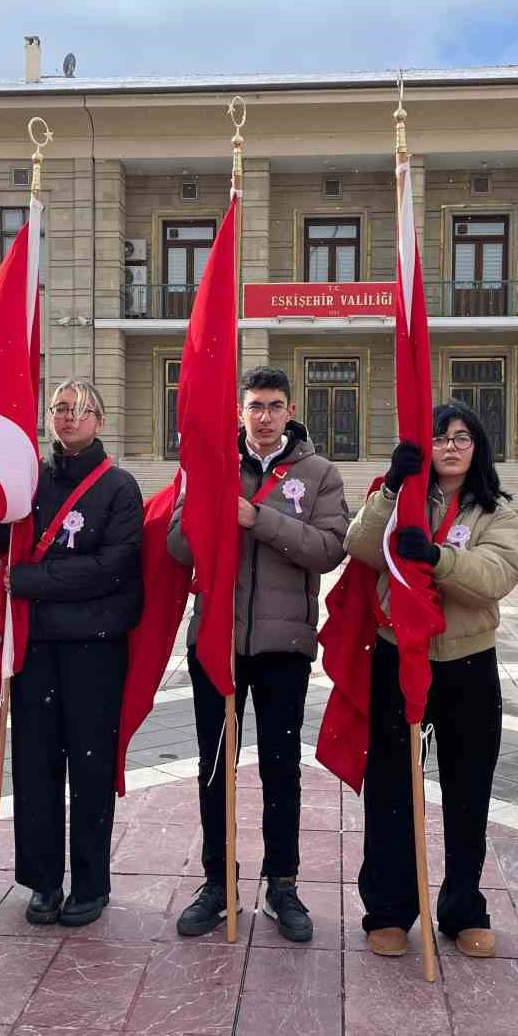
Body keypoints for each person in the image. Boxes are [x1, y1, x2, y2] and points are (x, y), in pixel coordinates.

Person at [169, 365, 348, 942]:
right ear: (240, 412)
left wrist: (259, 519)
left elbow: (329, 548)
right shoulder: (211, 468)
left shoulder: (318, 474)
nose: (264, 416)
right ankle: (218, 883)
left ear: (290, 411)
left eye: (274, 406)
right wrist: (204, 510)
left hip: (283, 645)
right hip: (218, 640)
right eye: (255, 406)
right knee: (215, 767)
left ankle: (282, 883)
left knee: (279, 768)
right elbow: (175, 545)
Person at [345, 403, 518, 957]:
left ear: (478, 448)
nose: (450, 447)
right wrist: (392, 488)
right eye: (439, 438)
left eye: (462, 438)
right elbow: (360, 547)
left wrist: (440, 559)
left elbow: (499, 575)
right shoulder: (402, 503)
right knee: (393, 786)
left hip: (468, 663)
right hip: (399, 656)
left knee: (469, 790)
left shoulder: (496, 513)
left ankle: (463, 907)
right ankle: (389, 908)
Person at [5, 380, 144, 927]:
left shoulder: (119, 487)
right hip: (36, 648)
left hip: (94, 651)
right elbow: (4, 544)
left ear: (100, 421)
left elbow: (113, 567)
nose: (67, 418)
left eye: (80, 410)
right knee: (35, 768)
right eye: (60, 409)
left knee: (89, 770)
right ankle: (42, 882)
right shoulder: (29, 481)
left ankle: (90, 883)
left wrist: (34, 581)